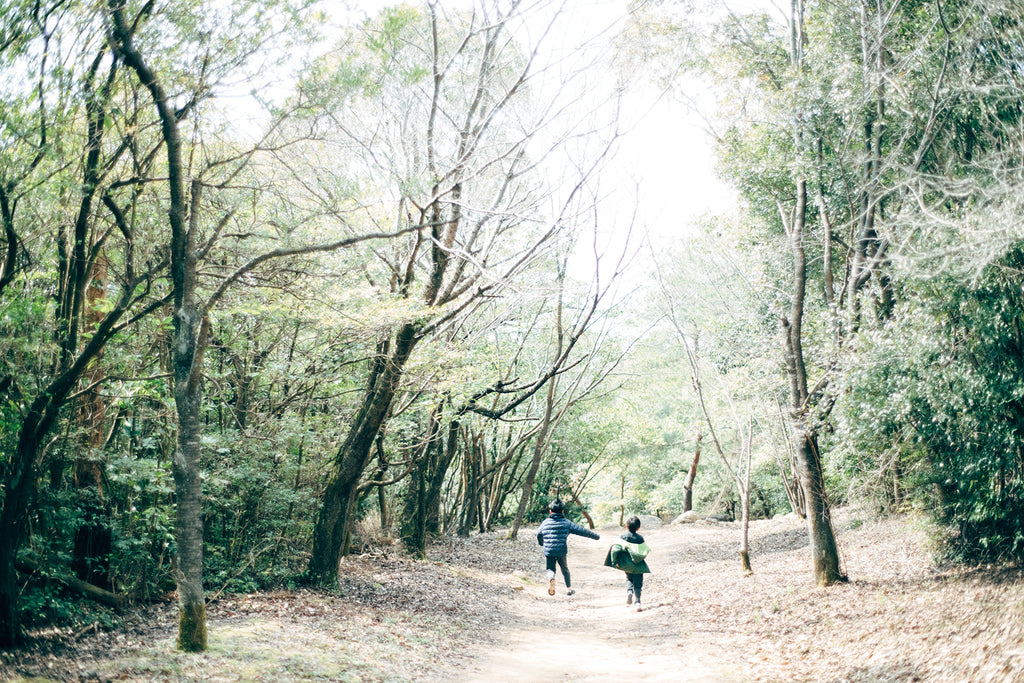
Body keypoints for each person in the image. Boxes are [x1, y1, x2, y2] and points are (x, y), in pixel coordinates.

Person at [536, 499, 600, 596]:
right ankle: (569, 589)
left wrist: (542, 543)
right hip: (561, 550)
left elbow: (539, 534)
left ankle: (551, 579)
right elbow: (582, 531)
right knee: (564, 568)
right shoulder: (566, 523)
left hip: (549, 550)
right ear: (562, 511)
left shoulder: (545, 522)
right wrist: (596, 536)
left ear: (550, 511)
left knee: (550, 569)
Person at [603, 515, 651, 612]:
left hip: (627, 565)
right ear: (638, 528)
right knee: (638, 584)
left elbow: (615, 550)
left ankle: (629, 592)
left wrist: (614, 561)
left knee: (629, 578)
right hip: (638, 566)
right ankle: (637, 602)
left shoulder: (622, 537)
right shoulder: (640, 539)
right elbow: (645, 551)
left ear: (626, 526)